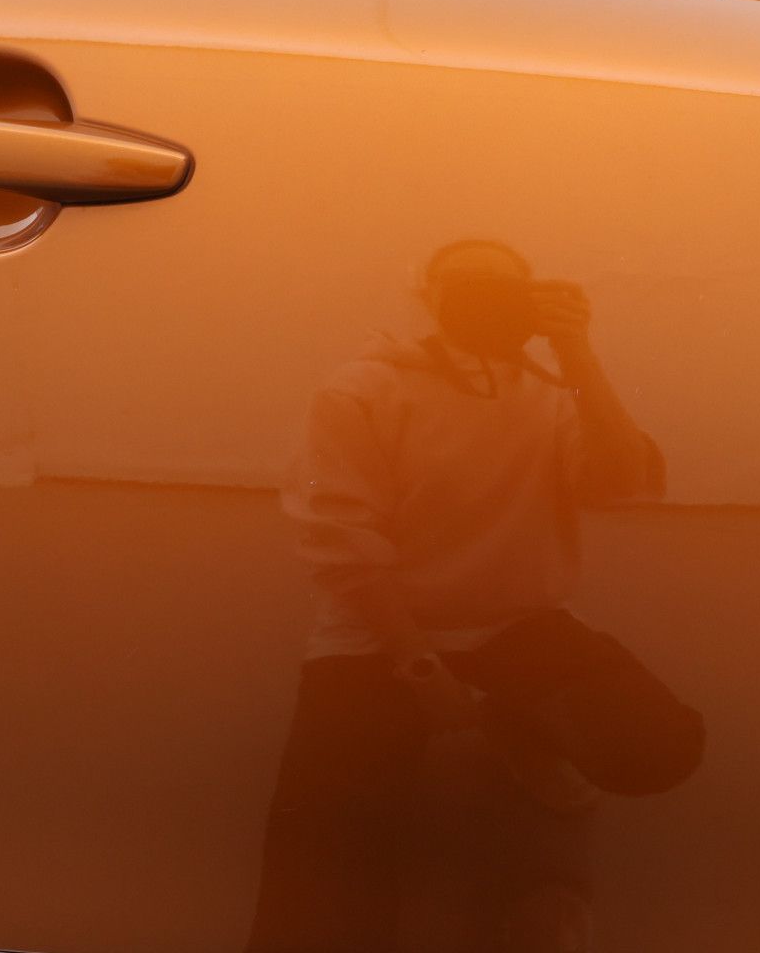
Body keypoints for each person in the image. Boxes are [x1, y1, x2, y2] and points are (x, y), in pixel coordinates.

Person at [247, 240, 693, 953]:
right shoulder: (361, 389)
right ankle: (514, 740)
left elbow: (623, 484)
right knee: (321, 881)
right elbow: (343, 543)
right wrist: (420, 668)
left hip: (518, 628)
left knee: (661, 746)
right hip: (377, 638)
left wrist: (577, 352)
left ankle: (522, 732)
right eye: (466, 284)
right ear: (427, 297)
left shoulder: (552, 391)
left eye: (504, 286)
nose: (485, 295)